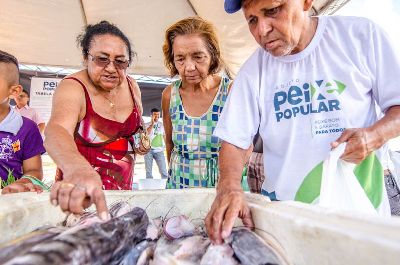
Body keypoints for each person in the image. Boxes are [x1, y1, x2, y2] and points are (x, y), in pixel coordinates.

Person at [206, 0, 400, 243]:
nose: (262, 30)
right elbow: (234, 141)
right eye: (252, 20)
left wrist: (374, 135)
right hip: (288, 222)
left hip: (360, 215)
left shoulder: (360, 36)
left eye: (273, 10)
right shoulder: (253, 72)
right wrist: (230, 186)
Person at [45, 21, 145, 219]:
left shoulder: (132, 86)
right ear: (85, 58)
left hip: (122, 189)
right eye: (101, 59)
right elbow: (56, 130)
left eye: (120, 61)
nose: (111, 68)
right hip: (81, 194)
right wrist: (78, 169)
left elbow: (137, 127)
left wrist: (142, 140)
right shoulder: (73, 87)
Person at [161, 17, 232, 188]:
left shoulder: (230, 92)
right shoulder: (170, 95)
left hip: (218, 188)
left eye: (198, 57)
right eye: (180, 59)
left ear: (212, 55)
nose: (189, 67)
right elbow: (169, 143)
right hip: (178, 185)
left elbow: (245, 145)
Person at [0, 50, 46, 194]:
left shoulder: (27, 128)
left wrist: (24, 183)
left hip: (8, 207)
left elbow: (34, 170)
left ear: (14, 91)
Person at [144, 108, 168, 179]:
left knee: (163, 171)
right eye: (155, 115)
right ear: (151, 115)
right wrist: (152, 124)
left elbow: (164, 137)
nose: (157, 116)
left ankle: (166, 188)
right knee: (148, 172)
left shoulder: (162, 125)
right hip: (148, 150)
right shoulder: (146, 124)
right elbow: (146, 133)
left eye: (158, 115)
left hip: (159, 150)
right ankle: (149, 188)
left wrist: (166, 148)